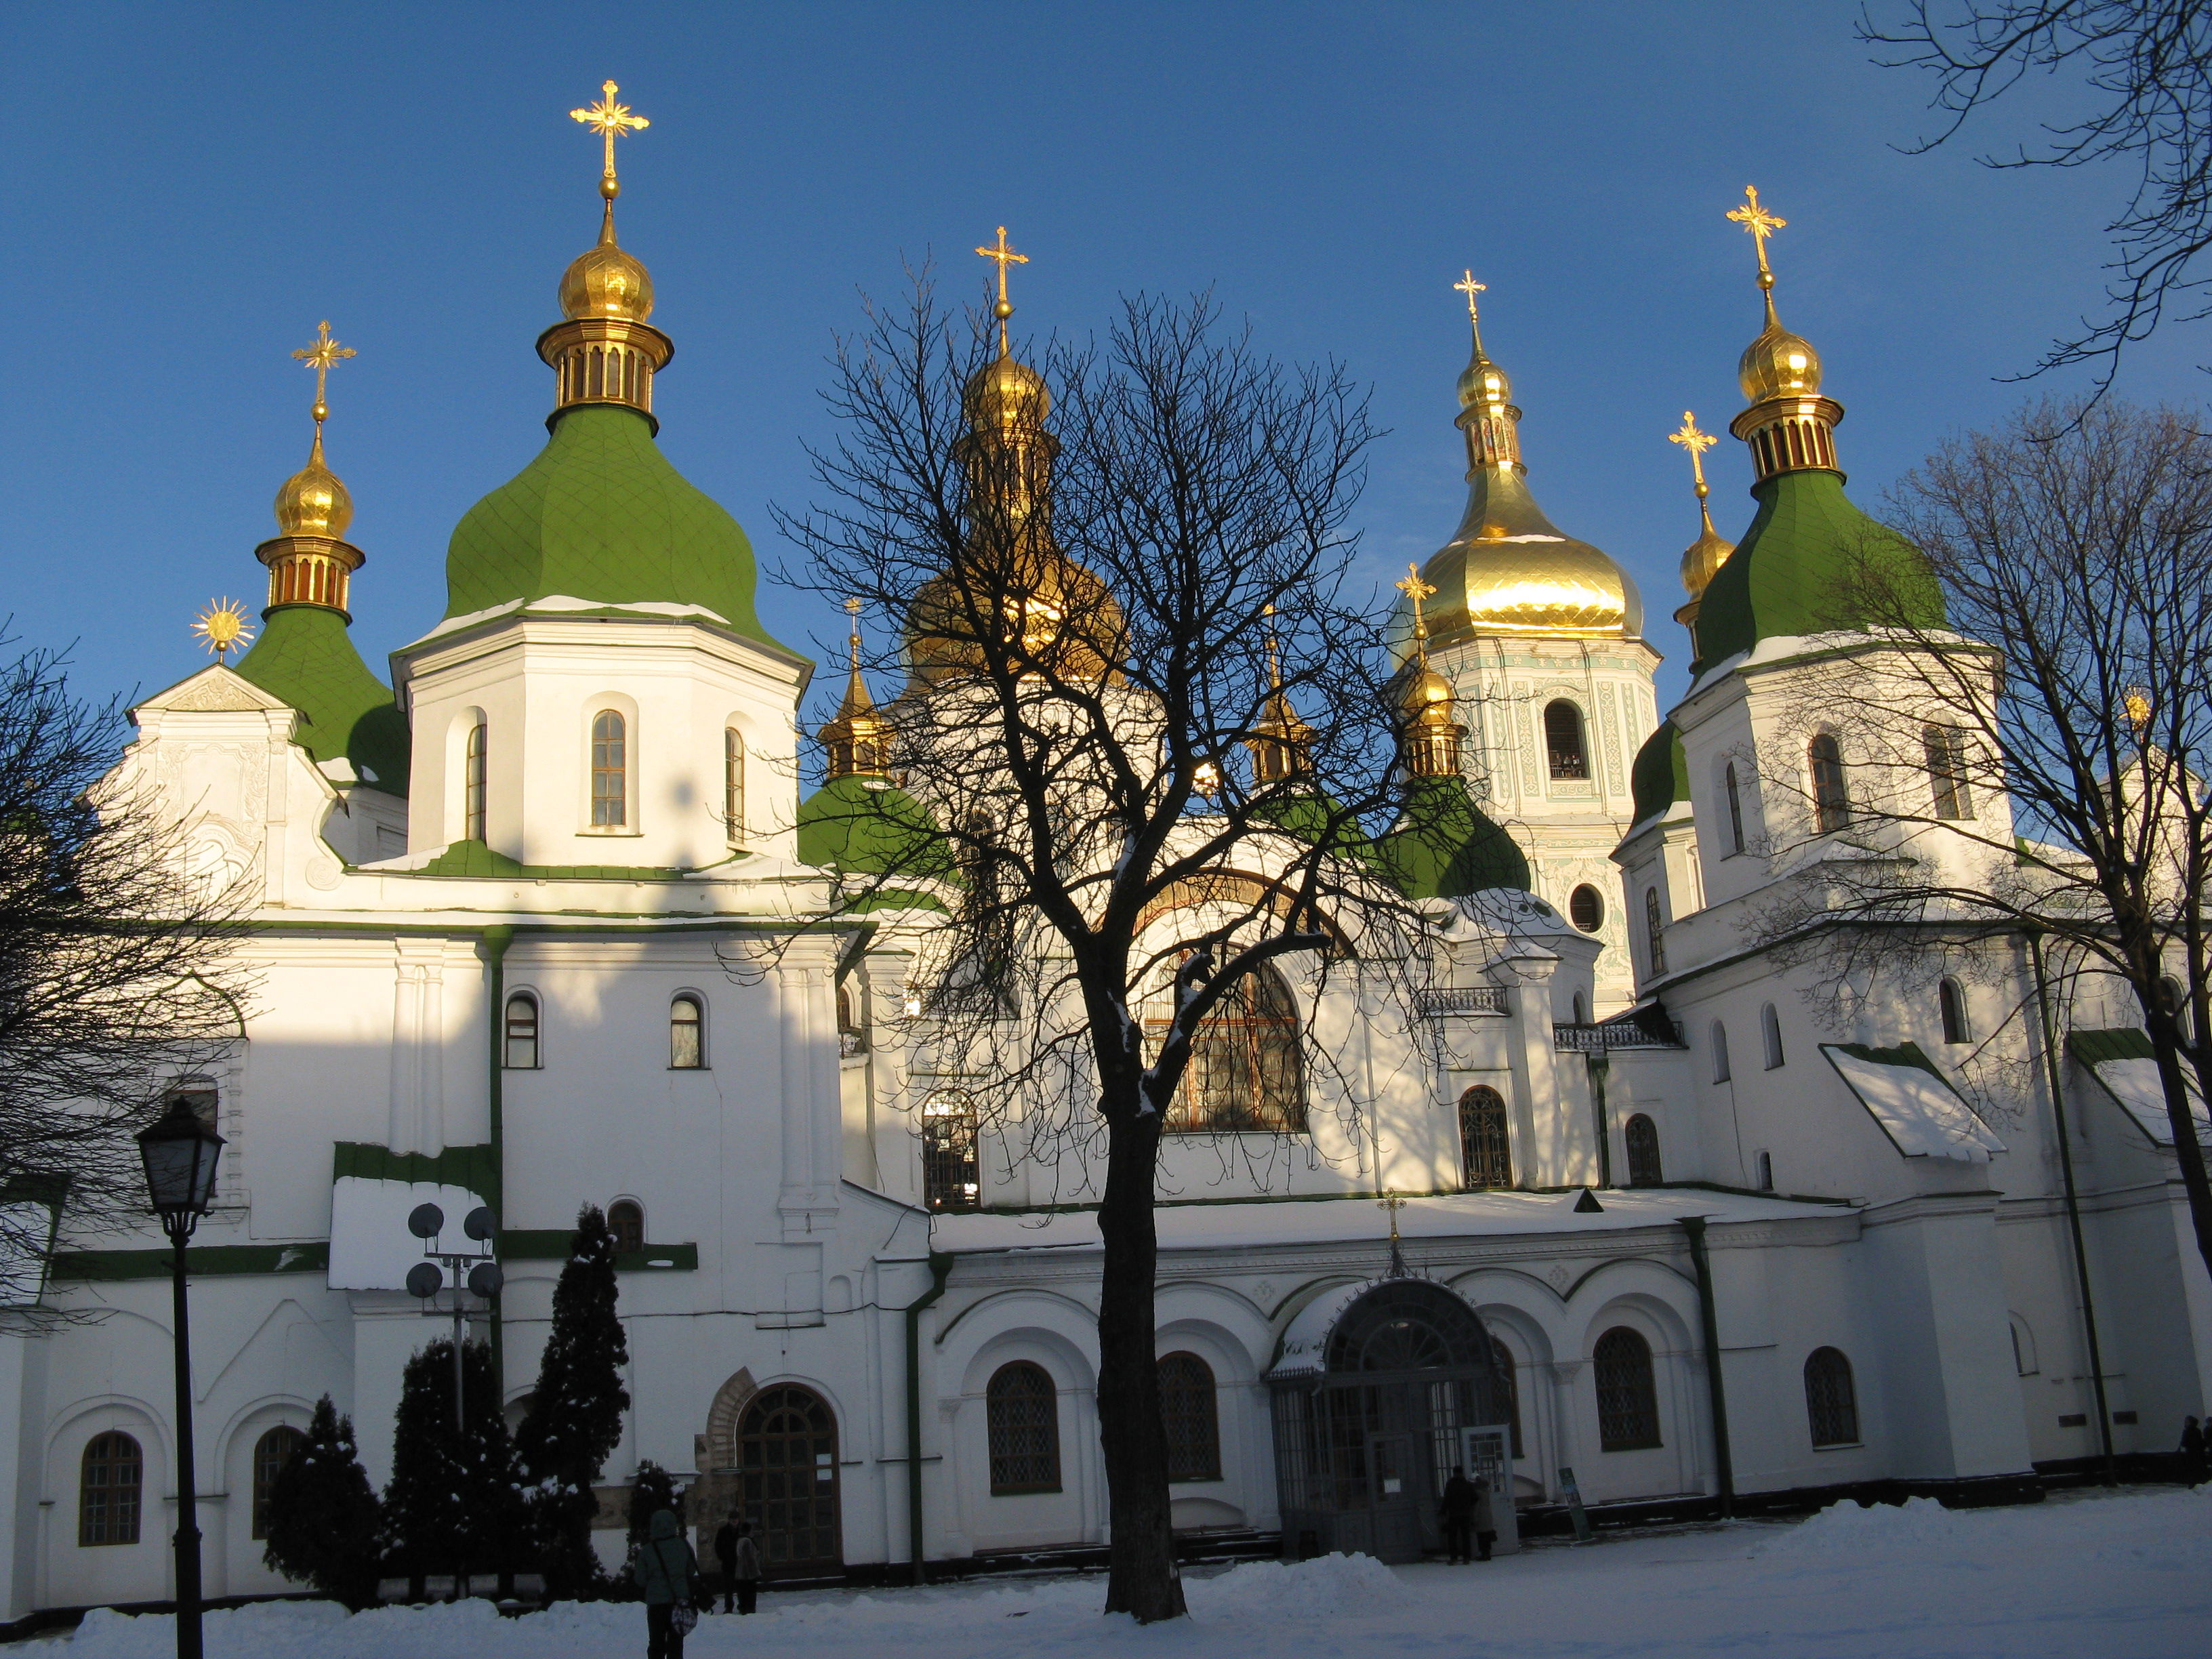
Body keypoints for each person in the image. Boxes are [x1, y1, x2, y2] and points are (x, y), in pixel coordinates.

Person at [633, 1507, 704, 1659]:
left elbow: (640, 1579)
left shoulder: (647, 1551)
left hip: (656, 1604)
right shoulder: (683, 1545)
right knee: (676, 1644)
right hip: (679, 1602)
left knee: (656, 1644)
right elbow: (691, 1570)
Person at [1439, 1465, 1478, 1564]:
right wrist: (1468, 1506)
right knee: (1465, 1536)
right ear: (1462, 1472)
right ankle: (1466, 1558)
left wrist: (1443, 1511)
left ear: (1454, 1473)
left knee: (1452, 1537)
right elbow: (1475, 1498)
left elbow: (1447, 1499)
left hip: (1453, 1514)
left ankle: (1454, 1558)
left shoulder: (1450, 1484)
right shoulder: (1468, 1484)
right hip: (1465, 1514)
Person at [730, 1518, 762, 1614]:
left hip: (740, 1572)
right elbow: (750, 1559)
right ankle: (748, 1608)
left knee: (742, 1592)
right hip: (747, 1573)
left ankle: (743, 1607)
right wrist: (756, 1573)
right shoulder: (747, 1541)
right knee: (750, 1592)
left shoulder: (738, 1540)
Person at [714, 1510, 741, 1613]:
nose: (734, 1521)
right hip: (728, 1562)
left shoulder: (741, 1531)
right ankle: (729, 1606)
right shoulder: (723, 1531)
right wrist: (722, 1556)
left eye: (736, 1519)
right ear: (729, 1520)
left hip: (739, 1562)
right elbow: (718, 1546)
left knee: (740, 1586)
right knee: (728, 1587)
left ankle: (742, 1605)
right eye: (732, 1519)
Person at [1469, 1469, 1498, 1562]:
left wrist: (1474, 1518)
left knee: (1481, 1536)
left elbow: (1476, 1507)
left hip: (1480, 1515)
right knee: (1487, 1535)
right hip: (1487, 1514)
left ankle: (1484, 1554)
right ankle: (1488, 1553)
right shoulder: (1486, 1491)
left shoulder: (1477, 1493)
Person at [2181, 1415, 2207, 1488]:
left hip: (2190, 1454)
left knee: (2191, 1470)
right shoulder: (2198, 1431)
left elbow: (2184, 1443)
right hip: (2199, 1454)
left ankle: (2192, 1485)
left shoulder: (2187, 1431)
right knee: (2198, 1470)